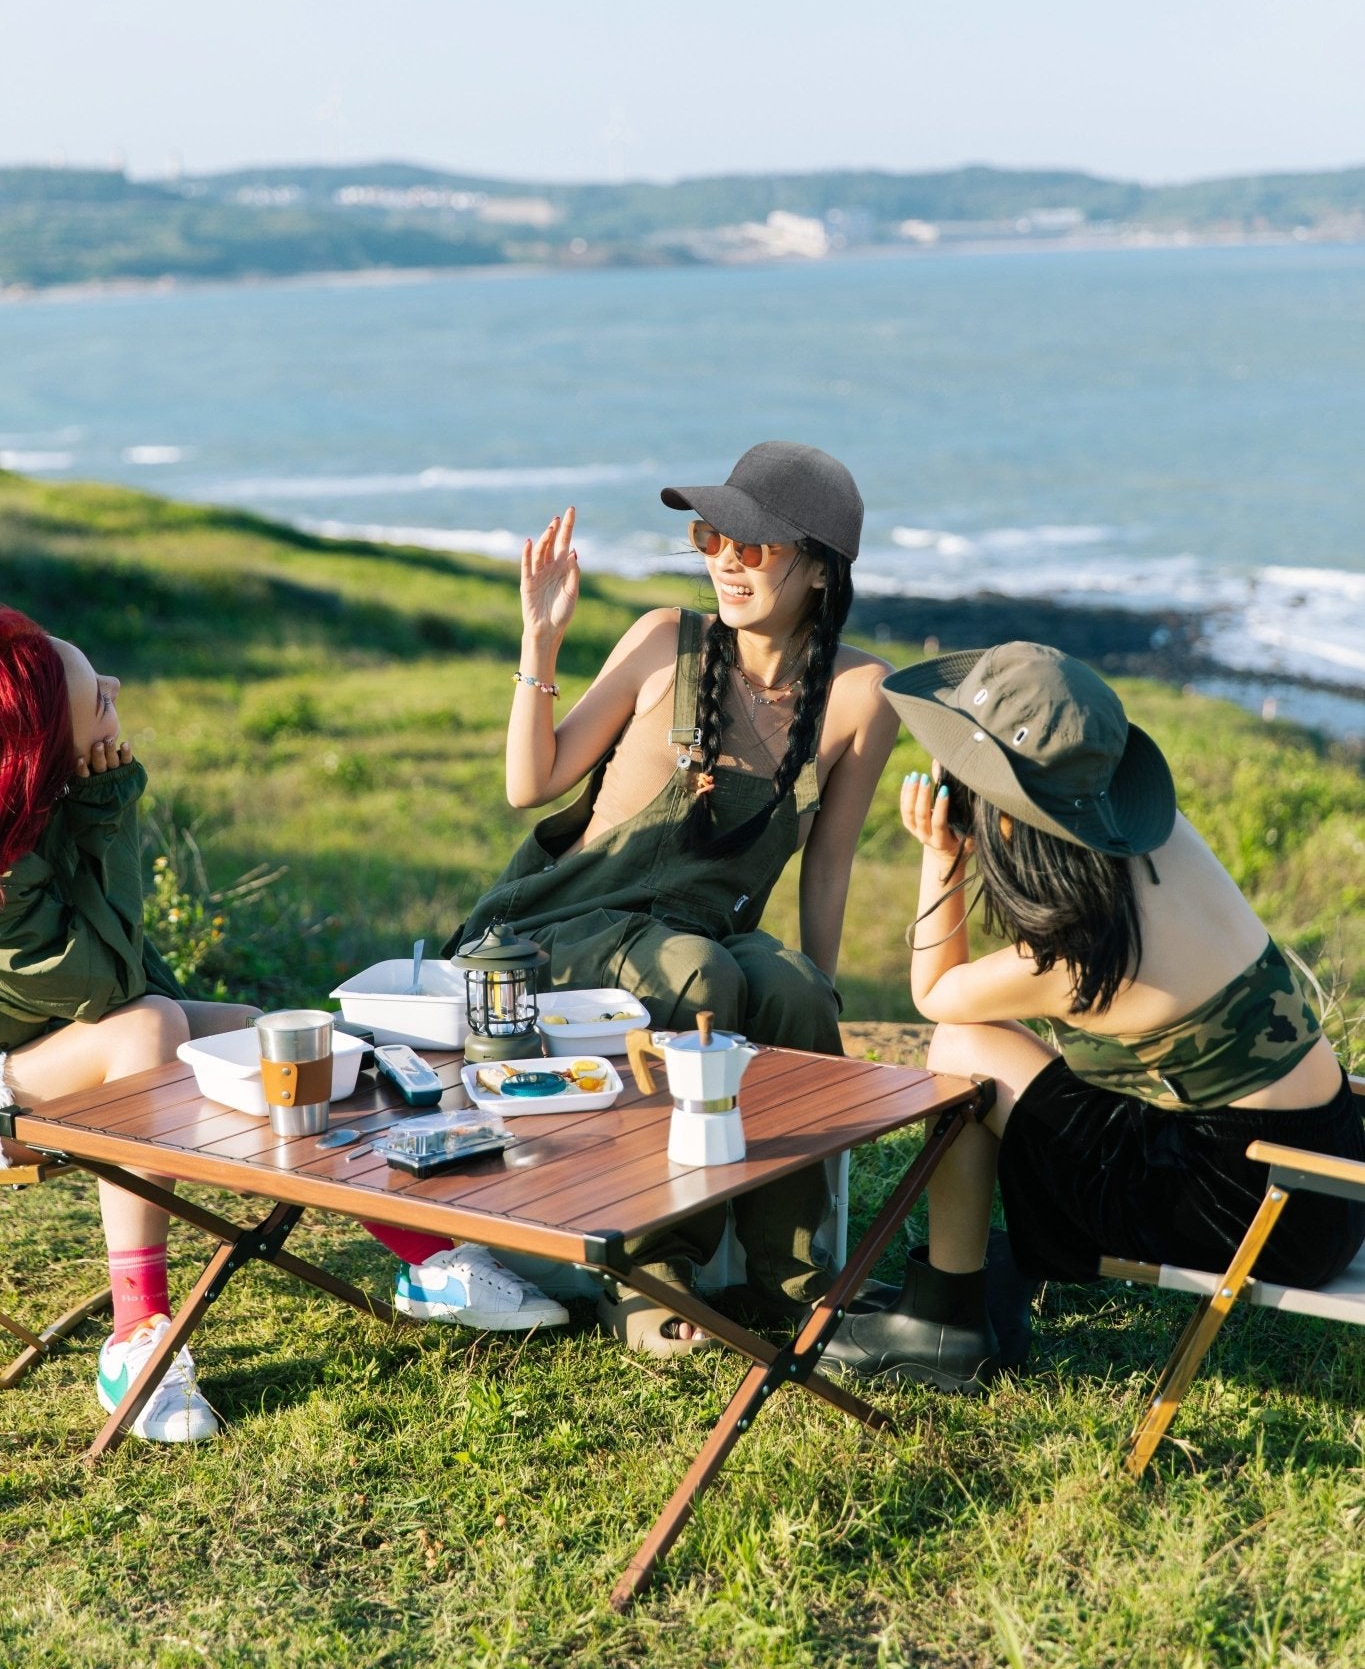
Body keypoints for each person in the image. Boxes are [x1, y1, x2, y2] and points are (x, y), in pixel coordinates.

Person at [372, 442, 899, 1352]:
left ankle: (797, 1277)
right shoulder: (665, 638)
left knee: (791, 990)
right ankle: (658, 1270)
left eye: (756, 547)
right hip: (554, 926)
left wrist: (823, 977)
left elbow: (829, 864)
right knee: (699, 978)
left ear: (819, 567)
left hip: (698, 929)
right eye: (711, 537)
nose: (725, 562)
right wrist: (540, 640)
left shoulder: (861, 694)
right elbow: (529, 784)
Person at [824, 640, 1365, 1391]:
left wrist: (938, 854)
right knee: (997, 1054)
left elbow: (936, 997)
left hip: (1251, 1211)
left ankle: (947, 1320)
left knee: (960, 1044)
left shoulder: (1081, 962)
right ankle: (982, 1284)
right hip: (1330, 1171)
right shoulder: (1166, 841)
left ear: (1004, 817)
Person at [0, 606, 261, 1440]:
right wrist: (109, 816)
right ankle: (136, 1339)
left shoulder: (31, 822)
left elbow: (139, 976)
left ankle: (423, 1259)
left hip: (36, 1057)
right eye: (98, 701)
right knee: (150, 1030)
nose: (115, 689)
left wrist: (85, 815)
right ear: (46, 748)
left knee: (259, 1033)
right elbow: (112, 989)